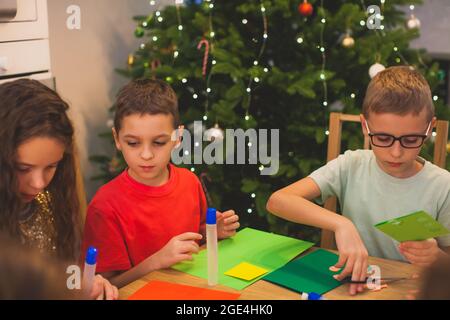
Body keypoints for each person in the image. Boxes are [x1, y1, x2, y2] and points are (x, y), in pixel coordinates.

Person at [266, 66, 450, 295]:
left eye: (411, 139)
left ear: (430, 128)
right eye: (383, 138)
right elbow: (278, 200)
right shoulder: (351, 165)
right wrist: (341, 224)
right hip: (349, 288)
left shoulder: (443, 186)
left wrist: (437, 258)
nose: (395, 152)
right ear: (365, 126)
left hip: (410, 291)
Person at [82, 79, 240, 288]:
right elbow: (106, 286)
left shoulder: (189, 182)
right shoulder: (105, 206)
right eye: (133, 143)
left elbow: (195, 238)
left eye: (158, 142)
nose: (146, 155)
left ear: (178, 137)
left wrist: (213, 232)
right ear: (117, 139)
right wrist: (156, 262)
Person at [0, 79, 118, 300]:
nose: (39, 183)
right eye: (23, 168)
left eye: (51, 166)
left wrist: (83, 283)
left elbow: (59, 272)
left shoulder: (48, 201)